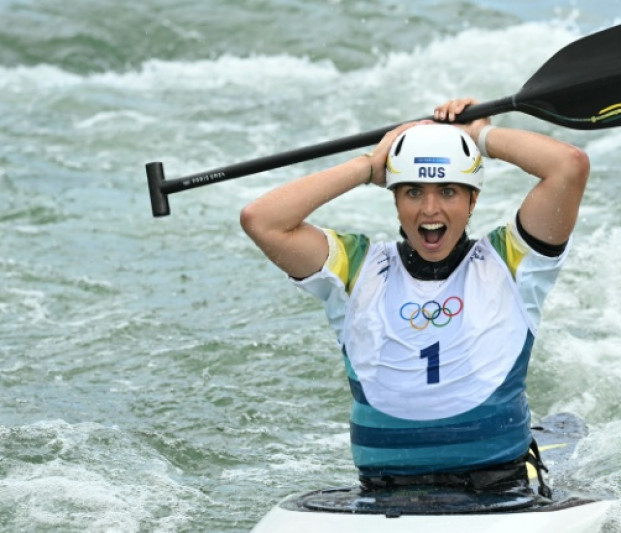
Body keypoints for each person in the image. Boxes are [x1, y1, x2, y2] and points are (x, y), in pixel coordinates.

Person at [240, 97, 590, 497]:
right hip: (382, 493)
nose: (429, 209)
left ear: (473, 200)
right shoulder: (354, 268)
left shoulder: (511, 263)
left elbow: (568, 167)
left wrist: (478, 135)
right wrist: (368, 166)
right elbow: (261, 221)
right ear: (393, 198)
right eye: (412, 192)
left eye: (447, 191)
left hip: (499, 489)